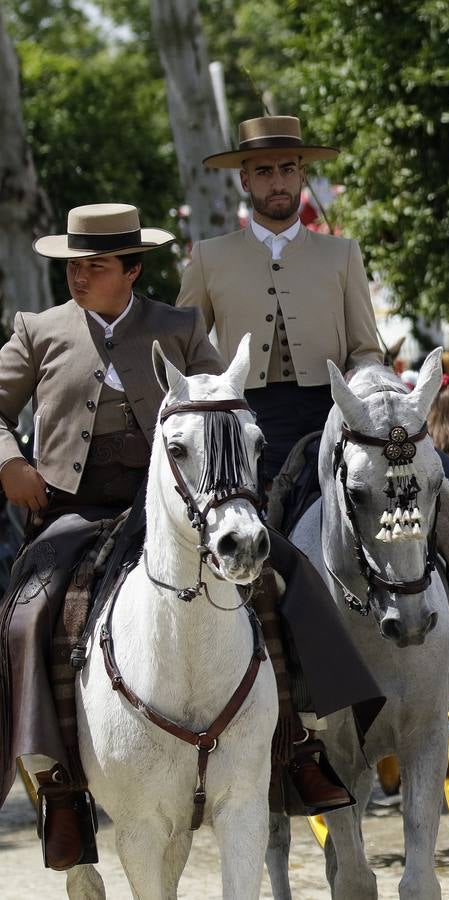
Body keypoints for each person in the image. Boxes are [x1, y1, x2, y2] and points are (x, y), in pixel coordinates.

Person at [0, 204, 380, 871]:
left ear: (133, 270)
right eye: (73, 266)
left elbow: (226, 398)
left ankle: (300, 739)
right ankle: (58, 785)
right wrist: (9, 461)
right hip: (75, 509)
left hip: (182, 506)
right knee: (30, 612)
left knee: (287, 571)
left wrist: (229, 483)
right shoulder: (37, 330)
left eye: (94, 266)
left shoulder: (177, 326)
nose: (78, 277)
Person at [180, 115, 449, 722]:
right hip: (253, 430)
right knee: (236, 540)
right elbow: (191, 356)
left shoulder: (340, 253)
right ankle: (260, 699)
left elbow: (366, 346)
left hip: (342, 416)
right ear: (245, 179)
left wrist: (376, 395)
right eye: (264, 170)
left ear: (302, 174)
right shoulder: (208, 259)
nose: (278, 181)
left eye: (288, 168)